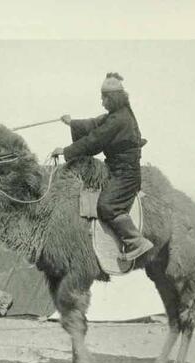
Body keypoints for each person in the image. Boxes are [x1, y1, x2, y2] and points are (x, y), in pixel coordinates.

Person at [51, 72, 153, 261]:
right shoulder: (117, 116)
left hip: (125, 175)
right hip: (117, 170)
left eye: (104, 97)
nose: (102, 101)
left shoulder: (119, 119)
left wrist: (65, 151)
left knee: (107, 206)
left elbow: (95, 139)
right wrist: (71, 122)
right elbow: (94, 124)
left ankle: (135, 241)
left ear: (112, 98)